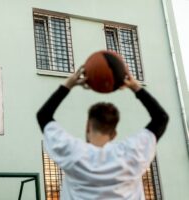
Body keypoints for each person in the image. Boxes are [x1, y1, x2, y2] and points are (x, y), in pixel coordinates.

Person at [36, 66, 169, 200]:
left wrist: (69, 84)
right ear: (114, 134)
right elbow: (161, 118)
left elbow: (43, 115)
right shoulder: (131, 153)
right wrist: (134, 86)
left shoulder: (73, 152)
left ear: (88, 126)